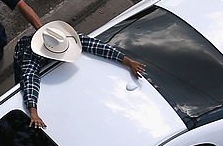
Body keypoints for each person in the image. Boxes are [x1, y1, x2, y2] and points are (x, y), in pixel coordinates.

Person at [14, 20, 146, 129]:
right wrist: (33, 112)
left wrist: (127, 61)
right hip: (23, 60)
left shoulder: (65, 38)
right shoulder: (30, 56)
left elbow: (96, 46)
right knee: (20, 81)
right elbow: (29, 79)